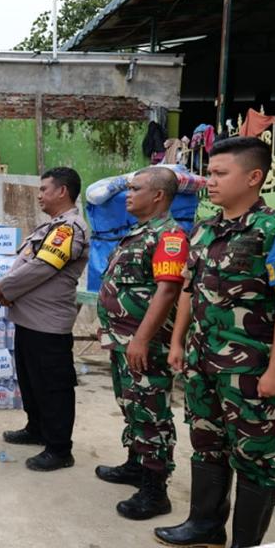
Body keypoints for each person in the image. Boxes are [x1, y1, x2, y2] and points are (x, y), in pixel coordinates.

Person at [155, 136, 275, 548]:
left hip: (251, 369)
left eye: (220, 173)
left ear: (253, 177)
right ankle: (204, 525)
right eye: (209, 173)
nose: (210, 181)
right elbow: (189, 290)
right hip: (202, 361)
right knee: (206, 442)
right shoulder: (204, 230)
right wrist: (177, 342)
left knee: (254, 456)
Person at [93, 168, 188, 520]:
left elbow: (168, 290)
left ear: (158, 195)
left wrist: (142, 339)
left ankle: (155, 490)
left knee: (151, 413)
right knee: (131, 406)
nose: (128, 194)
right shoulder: (138, 233)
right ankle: (136, 464)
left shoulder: (169, 236)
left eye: (135, 188)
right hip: (123, 341)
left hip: (145, 344)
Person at [0, 167, 90, 473]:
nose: (39, 195)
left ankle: (59, 449)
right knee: (31, 380)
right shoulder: (51, 227)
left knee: (53, 386)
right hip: (29, 320)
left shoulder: (68, 229)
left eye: (44, 189)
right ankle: (36, 428)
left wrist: (4, 287)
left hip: (48, 323)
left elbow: (41, 269)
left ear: (62, 191)